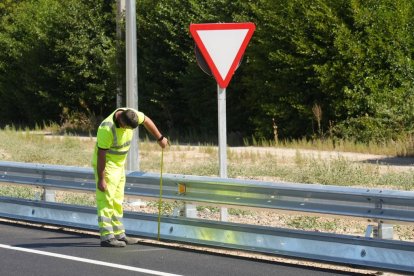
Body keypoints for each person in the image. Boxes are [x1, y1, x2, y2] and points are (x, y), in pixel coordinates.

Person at [91, 107, 168, 247]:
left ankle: (119, 234)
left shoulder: (131, 114)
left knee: (117, 201)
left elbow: (146, 120)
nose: (127, 130)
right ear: (120, 119)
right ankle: (107, 237)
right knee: (106, 200)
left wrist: (160, 138)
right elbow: (101, 155)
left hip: (119, 166)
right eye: (126, 127)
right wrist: (101, 179)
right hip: (107, 166)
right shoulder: (106, 129)